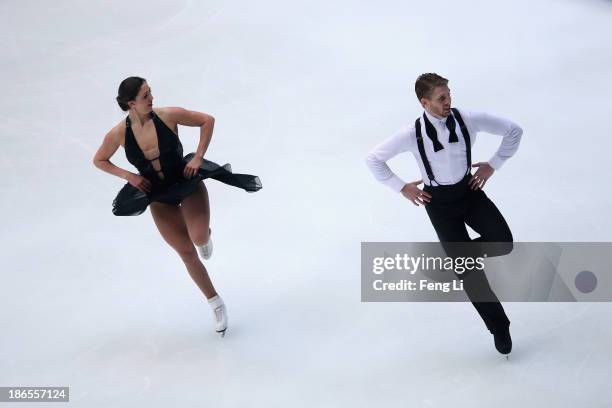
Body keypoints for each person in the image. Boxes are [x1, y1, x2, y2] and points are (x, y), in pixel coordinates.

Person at [365, 73, 523, 356]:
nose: (448, 101)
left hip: (470, 192)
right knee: (471, 276)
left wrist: (493, 164)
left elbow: (514, 130)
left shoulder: (468, 118)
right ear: (424, 102)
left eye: (449, 94)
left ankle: (454, 258)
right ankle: (499, 326)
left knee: (502, 241)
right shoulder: (411, 134)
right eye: (441, 98)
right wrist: (401, 188)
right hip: (438, 203)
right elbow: (374, 159)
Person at [93, 76, 262, 337]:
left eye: (150, 92)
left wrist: (198, 157)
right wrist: (129, 176)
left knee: (198, 238)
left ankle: (205, 234)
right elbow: (100, 160)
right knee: (186, 252)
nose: (152, 98)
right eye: (145, 96)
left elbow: (207, 120)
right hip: (157, 195)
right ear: (131, 103)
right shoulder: (118, 134)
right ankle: (215, 302)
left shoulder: (168, 115)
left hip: (186, 182)